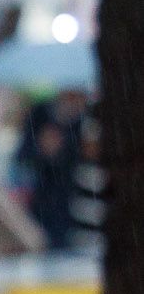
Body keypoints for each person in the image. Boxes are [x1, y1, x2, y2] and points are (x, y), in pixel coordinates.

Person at [15, 90, 103, 251]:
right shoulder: (41, 113)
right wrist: (41, 149)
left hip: (82, 211)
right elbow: (22, 156)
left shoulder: (91, 118)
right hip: (46, 211)